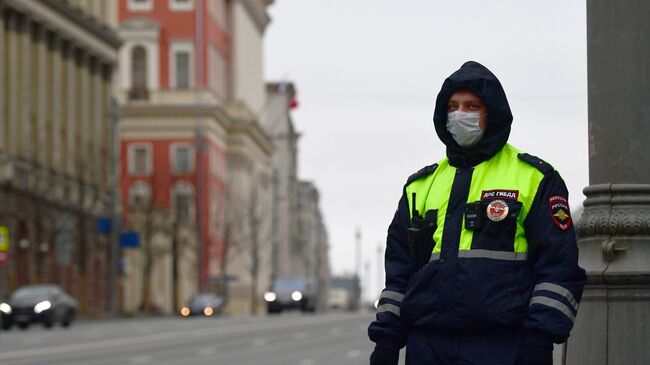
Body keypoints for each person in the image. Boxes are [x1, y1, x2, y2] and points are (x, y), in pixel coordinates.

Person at [367, 61, 586, 365]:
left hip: (505, 346)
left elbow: (557, 265)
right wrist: (386, 343)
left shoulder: (535, 178)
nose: (461, 114)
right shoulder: (420, 185)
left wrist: (540, 339)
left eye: (472, 106)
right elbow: (399, 273)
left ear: (491, 113)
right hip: (427, 347)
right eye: (453, 106)